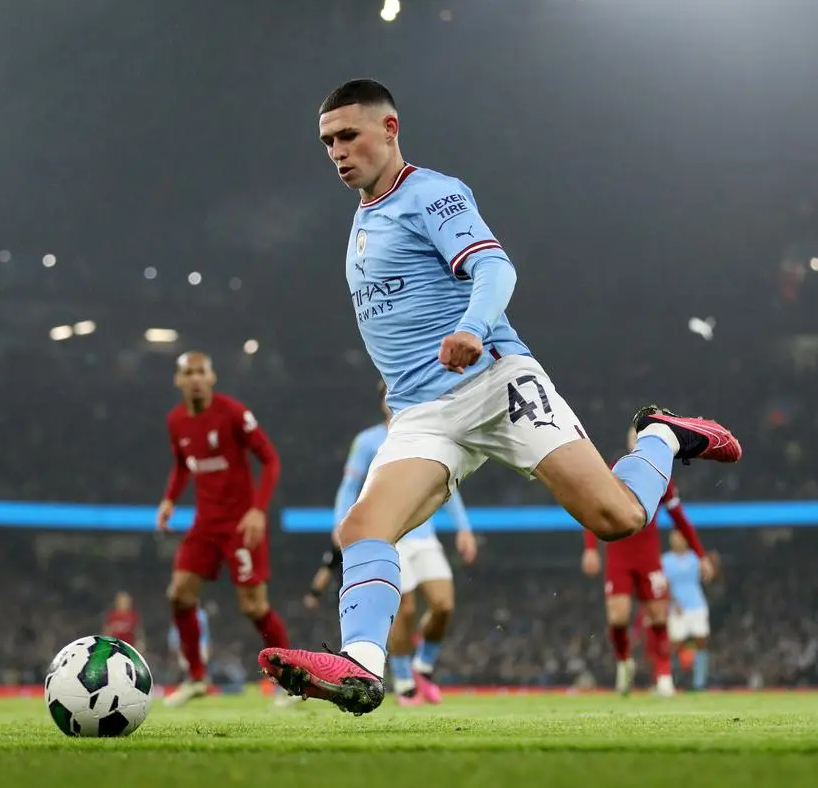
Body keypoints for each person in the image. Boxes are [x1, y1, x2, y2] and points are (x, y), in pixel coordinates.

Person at [259, 78, 742, 715]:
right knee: (360, 528)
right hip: (420, 413)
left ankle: (665, 435)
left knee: (618, 519)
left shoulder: (432, 193)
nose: (337, 152)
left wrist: (471, 327)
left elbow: (495, 268)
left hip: (493, 383)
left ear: (390, 128)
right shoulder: (364, 219)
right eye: (327, 142)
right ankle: (362, 667)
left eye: (348, 135)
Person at [331, 380, 477, 706]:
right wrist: (339, 521)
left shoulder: (429, 435)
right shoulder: (368, 441)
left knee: (444, 604)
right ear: (383, 399)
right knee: (405, 610)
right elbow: (349, 485)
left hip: (424, 536)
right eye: (385, 393)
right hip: (392, 536)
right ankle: (405, 681)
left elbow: (448, 485)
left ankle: (422, 665)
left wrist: (463, 528)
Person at [157, 351, 288, 707]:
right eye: (189, 373)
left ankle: (291, 679)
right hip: (205, 523)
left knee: (254, 605)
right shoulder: (176, 421)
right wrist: (170, 499)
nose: (196, 378)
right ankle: (197, 677)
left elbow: (270, 459)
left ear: (212, 377)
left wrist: (258, 511)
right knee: (179, 594)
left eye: (202, 372)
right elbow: (183, 465)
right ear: (178, 380)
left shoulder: (232, 413)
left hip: (241, 523)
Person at [583, 429, 712, 697]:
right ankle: (624, 662)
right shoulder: (613, 470)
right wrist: (590, 549)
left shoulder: (662, 477)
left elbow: (681, 520)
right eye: (636, 436)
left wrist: (701, 555)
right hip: (619, 553)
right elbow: (594, 507)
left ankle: (663, 675)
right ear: (630, 442)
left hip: (648, 555)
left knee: (658, 616)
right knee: (618, 617)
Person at [661, 529, 714, 691]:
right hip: (677, 608)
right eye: (675, 537)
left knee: (701, 642)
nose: (678, 540)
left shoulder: (695, 558)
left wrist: (712, 568)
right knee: (674, 645)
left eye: (681, 537)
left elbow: (709, 577)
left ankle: (700, 683)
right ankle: (672, 680)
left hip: (697, 605)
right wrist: (672, 601)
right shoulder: (665, 561)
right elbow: (662, 586)